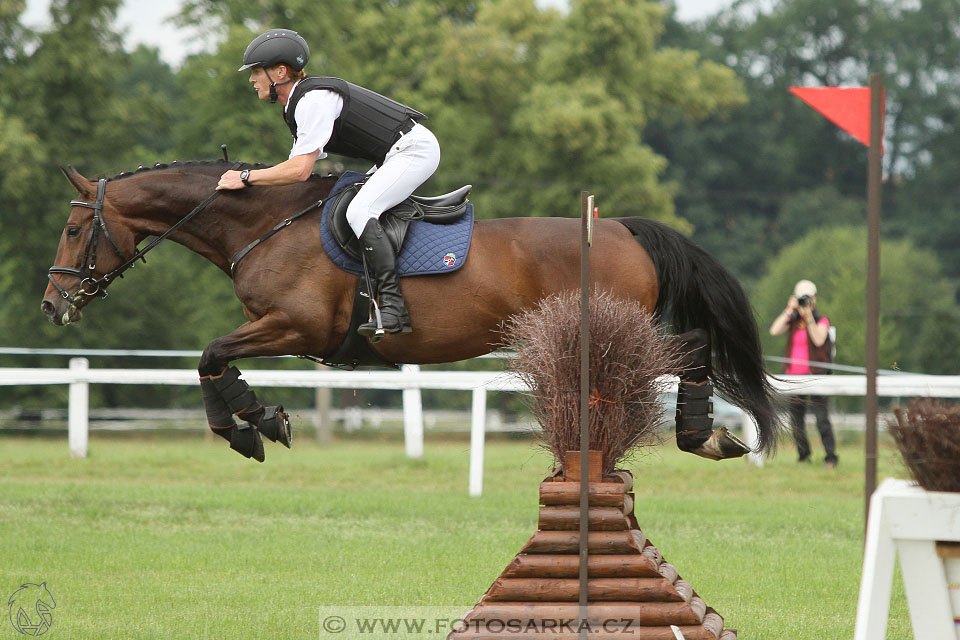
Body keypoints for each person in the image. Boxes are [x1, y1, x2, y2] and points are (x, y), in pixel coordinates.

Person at [217, 29, 441, 337]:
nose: (252, 79)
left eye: (257, 71)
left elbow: (298, 171)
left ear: (280, 72)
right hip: (394, 154)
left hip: (413, 151)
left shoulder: (312, 100)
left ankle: (393, 308)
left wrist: (245, 177)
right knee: (346, 205)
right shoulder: (298, 101)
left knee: (360, 211)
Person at [769, 279, 838, 468]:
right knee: (796, 420)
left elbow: (818, 340)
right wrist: (789, 310)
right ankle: (803, 455)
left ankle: (830, 457)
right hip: (794, 377)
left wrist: (808, 317)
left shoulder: (821, 319)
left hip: (816, 375)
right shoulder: (792, 321)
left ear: (814, 298)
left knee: (821, 418)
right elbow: (774, 330)